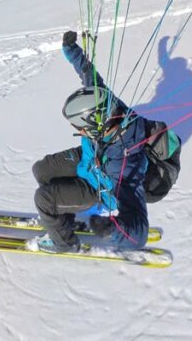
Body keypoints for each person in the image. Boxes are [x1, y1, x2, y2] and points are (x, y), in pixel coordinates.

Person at [29, 30, 150, 253]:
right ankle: (61, 217)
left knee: (43, 199)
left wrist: (112, 229)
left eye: (79, 127)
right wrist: (71, 50)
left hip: (99, 185)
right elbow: (89, 75)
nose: (76, 130)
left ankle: (64, 243)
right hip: (91, 156)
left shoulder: (122, 164)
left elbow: (140, 233)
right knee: (41, 170)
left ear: (94, 127)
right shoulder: (103, 101)